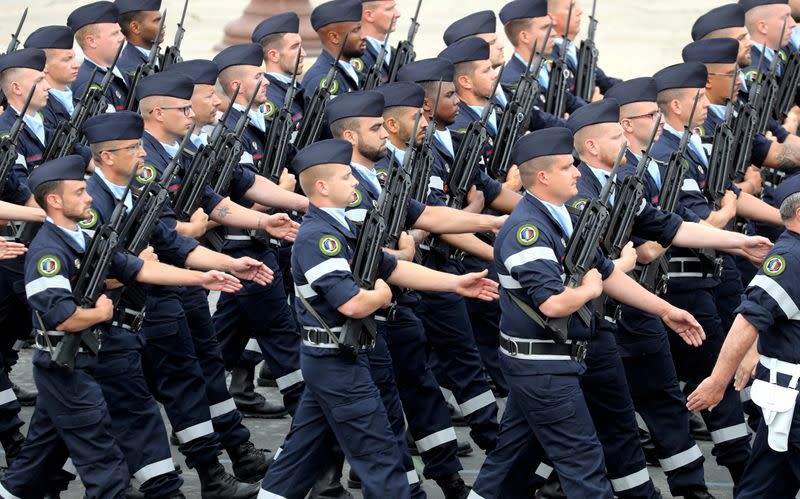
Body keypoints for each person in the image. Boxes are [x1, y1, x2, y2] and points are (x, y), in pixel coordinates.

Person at [468, 127, 704, 499]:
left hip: (548, 364)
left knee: (508, 466)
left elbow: (608, 274)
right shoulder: (528, 229)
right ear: (544, 176)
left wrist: (665, 310)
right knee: (584, 465)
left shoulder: (562, 218)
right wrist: (589, 288)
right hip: (543, 368)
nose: (578, 172)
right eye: (567, 167)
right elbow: (552, 302)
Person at [258, 138, 499, 499]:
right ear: (322, 187)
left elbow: (394, 267)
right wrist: (381, 295)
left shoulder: (341, 228)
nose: (355, 182)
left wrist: (456, 283)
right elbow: (352, 304)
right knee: (381, 459)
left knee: (297, 459)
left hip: (337, 358)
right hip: (338, 362)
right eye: (346, 177)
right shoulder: (319, 237)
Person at [0, 154, 243, 499]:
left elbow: (138, 269)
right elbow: (63, 317)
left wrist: (204, 278)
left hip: (88, 357)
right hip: (66, 366)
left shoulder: (83, 239)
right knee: (107, 470)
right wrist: (100, 314)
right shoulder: (48, 253)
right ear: (54, 201)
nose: (89, 198)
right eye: (80, 192)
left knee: (36, 464)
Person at [328, 87, 506, 497]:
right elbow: (371, 252)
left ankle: (446, 475)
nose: (385, 135)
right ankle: (390, 485)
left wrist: (493, 225)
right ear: (351, 137)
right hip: (370, 311)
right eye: (376, 127)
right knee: (379, 406)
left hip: (398, 305)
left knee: (421, 389)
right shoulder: (344, 187)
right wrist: (406, 245)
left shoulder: (379, 176)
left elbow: (426, 214)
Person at [688, 190, 800, 498]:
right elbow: (749, 319)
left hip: (787, 403)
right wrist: (717, 381)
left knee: (762, 491)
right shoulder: (790, 258)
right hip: (792, 398)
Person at [547, 0, 621, 97]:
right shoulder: (550, 57)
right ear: (551, 18)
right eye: (571, 7)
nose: (579, 11)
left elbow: (604, 82)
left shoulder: (573, 50)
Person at [68, 1, 130, 112]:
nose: (122, 38)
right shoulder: (87, 85)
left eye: (120, 31)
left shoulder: (119, 72)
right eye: (114, 33)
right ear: (91, 41)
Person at [302, 0, 366, 96]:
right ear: (334, 37)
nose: (363, 36)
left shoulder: (350, 69)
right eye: (356, 30)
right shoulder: (322, 78)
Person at [252, 12, 306, 123]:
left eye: (301, 46)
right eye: (295, 47)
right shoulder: (268, 98)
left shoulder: (294, 87)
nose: (303, 53)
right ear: (274, 55)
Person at [24, 25, 80, 130]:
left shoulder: (73, 101)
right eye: (67, 59)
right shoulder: (39, 108)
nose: (76, 65)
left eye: (73, 57)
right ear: (44, 65)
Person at [115, 0, 164, 76]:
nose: (163, 25)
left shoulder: (164, 59)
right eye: (156, 21)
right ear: (135, 27)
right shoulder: (125, 70)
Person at [359, 0, 401, 84]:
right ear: (369, 15)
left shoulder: (396, 53)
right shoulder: (356, 57)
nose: (398, 14)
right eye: (389, 9)